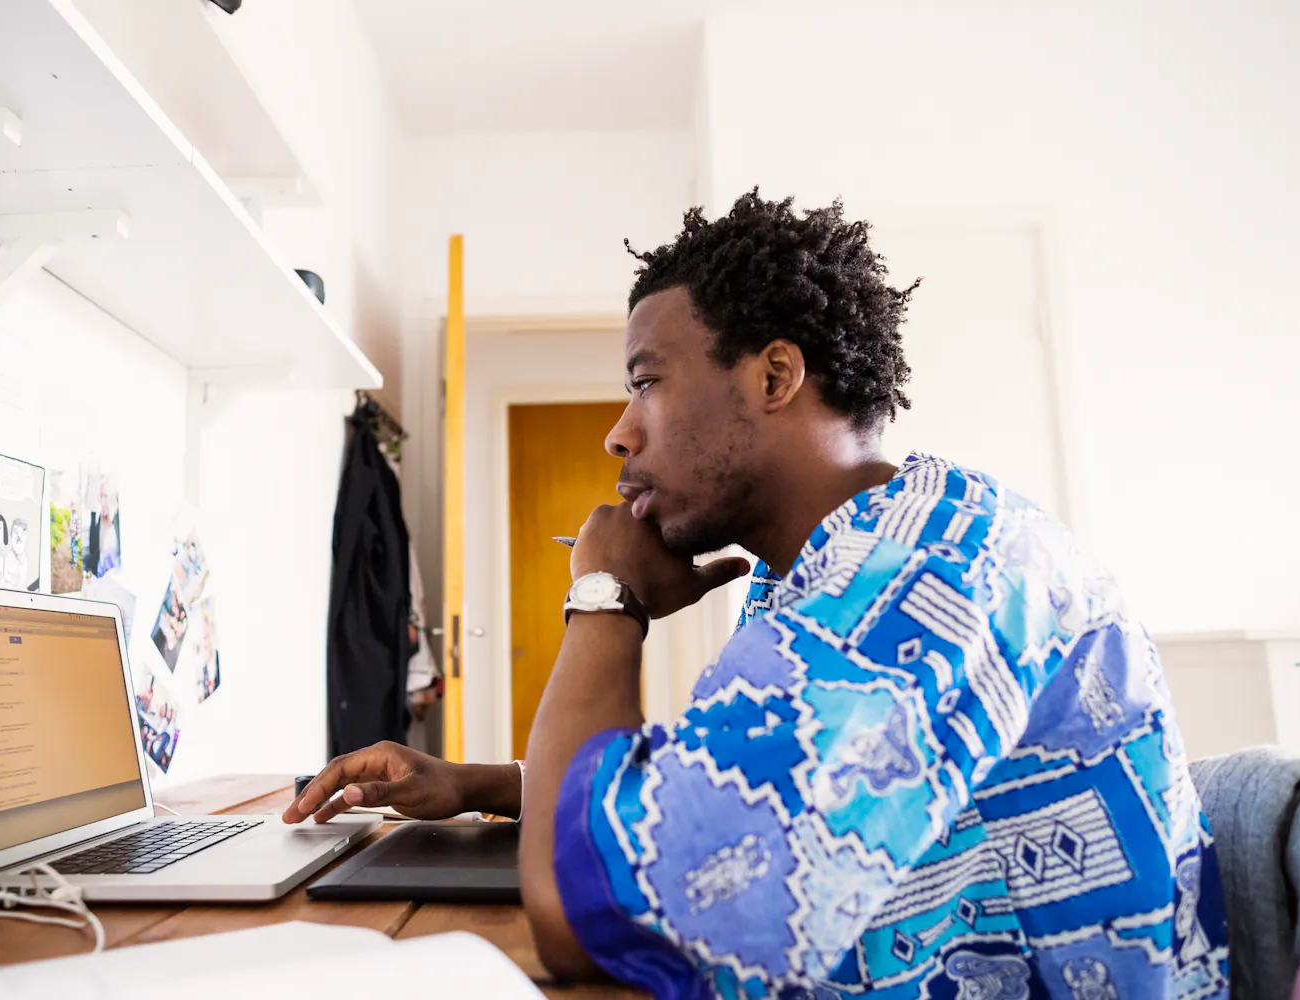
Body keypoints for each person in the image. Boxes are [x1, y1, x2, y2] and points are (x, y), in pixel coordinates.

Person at [283, 191, 1230, 998]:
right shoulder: (839, 562)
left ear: (775, 374)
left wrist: (606, 598)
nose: (618, 435)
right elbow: (712, 801)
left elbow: (587, 920)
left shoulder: (922, 580)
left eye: (645, 383)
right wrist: (485, 789)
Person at [3, 518, 29, 590]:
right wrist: (11, 581)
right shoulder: (8, 556)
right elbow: (5, 575)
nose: (19, 536)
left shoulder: (25, 559)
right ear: (11, 535)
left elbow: (23, 578)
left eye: (22, 532)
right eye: (15, 532)